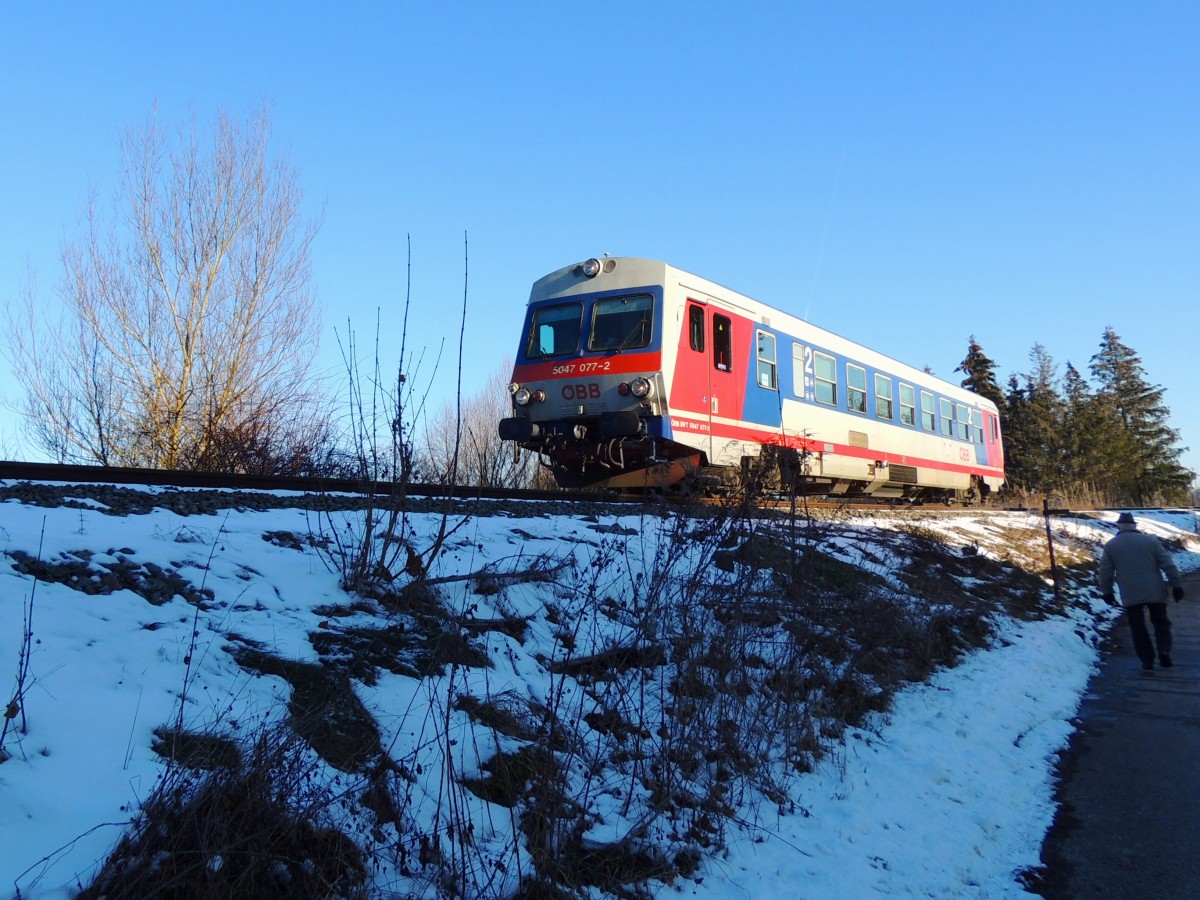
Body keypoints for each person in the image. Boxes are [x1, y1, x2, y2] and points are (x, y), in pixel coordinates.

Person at [1099, 512, 1185, 671]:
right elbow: (1168, 564)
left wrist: (1107, 591)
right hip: (1154, 589)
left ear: (1119, 526)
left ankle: (1147, 660)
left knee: (1137, 626)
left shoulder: (1111, 545)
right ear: (1134, 525)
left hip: (1131, 591)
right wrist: (1176, 585)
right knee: (1161, 622)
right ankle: (1164, 650)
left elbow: (1105, 572)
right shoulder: (1150, 541)